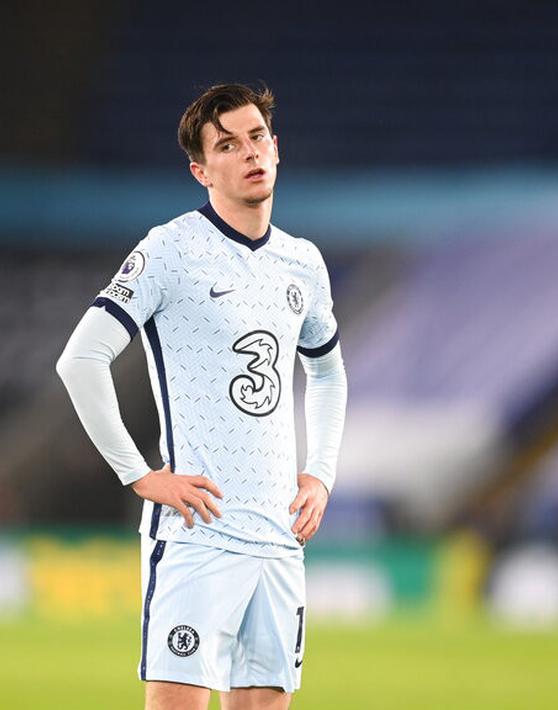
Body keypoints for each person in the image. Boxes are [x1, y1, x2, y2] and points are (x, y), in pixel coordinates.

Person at [56, 83, 347, 710]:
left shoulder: (303, 263)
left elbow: (327, 372)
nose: (249, 153)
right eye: (227, 145)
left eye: (258, 137)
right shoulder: (171, 248)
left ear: (277, 148)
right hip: (199, 534)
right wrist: (139, 475)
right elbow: (80, 359)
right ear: (200, 169)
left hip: (278, 536)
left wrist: (320, 474)